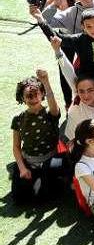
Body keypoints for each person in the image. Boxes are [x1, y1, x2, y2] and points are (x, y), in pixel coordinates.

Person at [9, 70, 65, 203]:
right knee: (19, 198)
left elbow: (53, 105)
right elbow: (16, 147)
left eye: (36, 95)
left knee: (46, 197)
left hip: (50, 160)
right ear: (22, 97)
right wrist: (22, 168)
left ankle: (44, 180)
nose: (33, 99)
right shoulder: (18, 119)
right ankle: (35, 179)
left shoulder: (50, 113)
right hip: (29, 162)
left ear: (42, 94)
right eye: (29, 96)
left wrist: (45, 82)